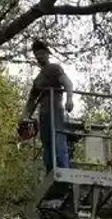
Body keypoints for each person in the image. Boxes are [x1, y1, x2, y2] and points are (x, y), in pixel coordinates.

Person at [20, 38, 74, 173]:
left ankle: (62, 170)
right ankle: (50, 172)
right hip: (43, 114)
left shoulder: (54, 68)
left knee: (58, 139)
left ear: (47, 53)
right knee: (46, 143)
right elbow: (31, 101)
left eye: (41, 52)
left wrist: (69, 99)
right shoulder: (38, 79)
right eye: (36, 53)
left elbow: (68, 83)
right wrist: (23, 117)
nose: (39, 56)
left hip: (55, 109)